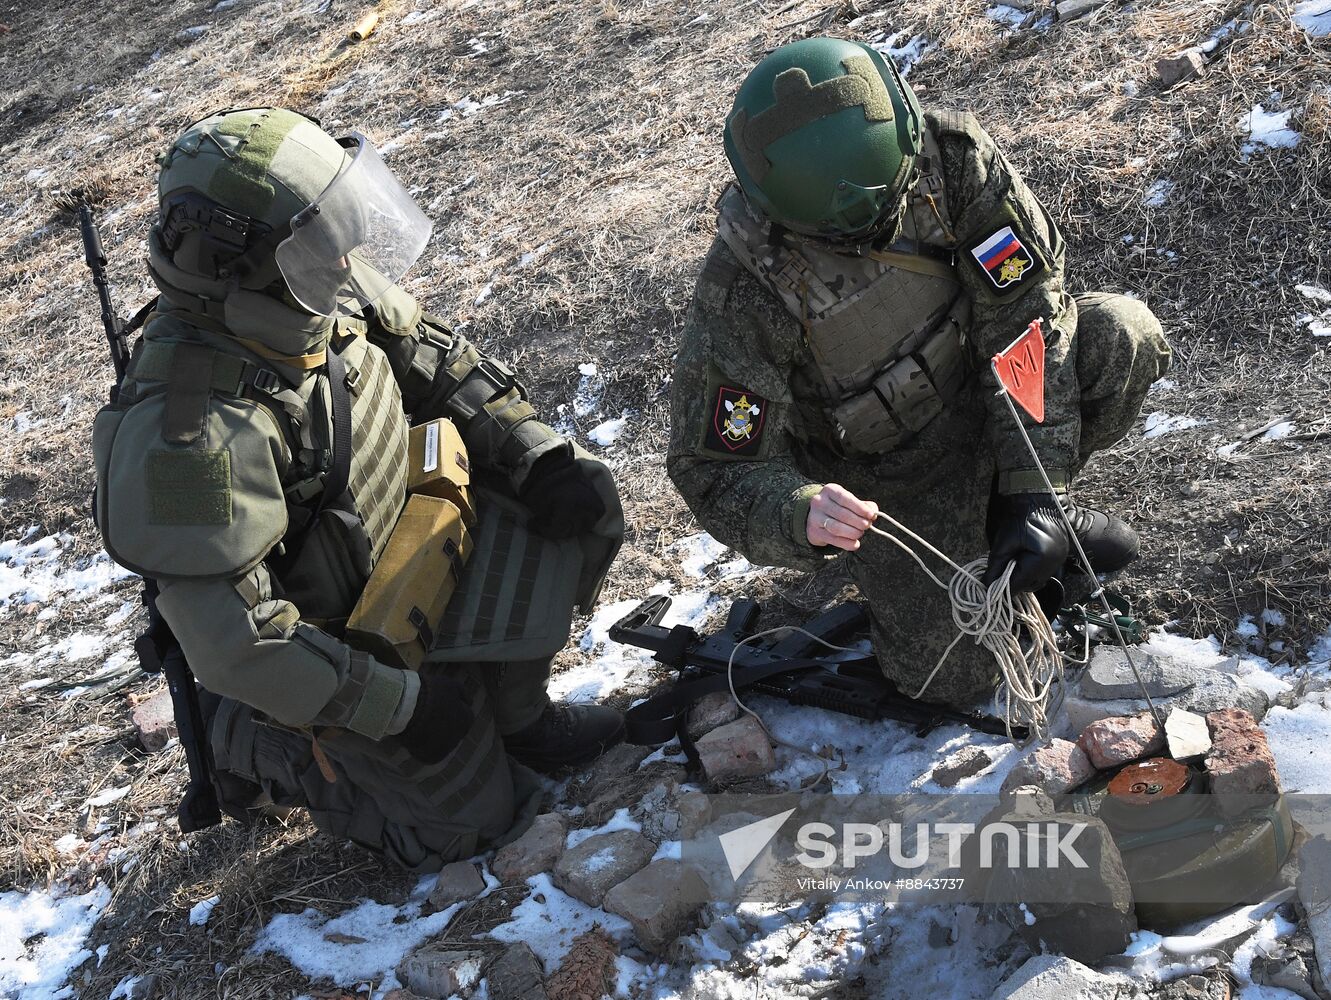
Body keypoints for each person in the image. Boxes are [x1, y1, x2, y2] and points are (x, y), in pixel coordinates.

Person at [92, 107, 625, 871]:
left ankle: (515, 716)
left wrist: (535, 454)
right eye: (320, 239)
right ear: (236, 263)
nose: (346, 258)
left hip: (416, 551)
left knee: (583, 498)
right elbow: (240, 640)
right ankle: (247, 739)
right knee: (464, 831)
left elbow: (434, 357)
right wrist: (394, 708)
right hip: (331, 647)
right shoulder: (191, 435)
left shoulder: (303, 275)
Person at [667, 38, 1172, 708]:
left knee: (1119, 335)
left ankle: (1012, 518)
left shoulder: (950, 162)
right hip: (888, 482)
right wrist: (799, 513)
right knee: (952, 683)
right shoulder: (744, 290)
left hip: (992, 404)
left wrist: (1034, 489)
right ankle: (979, 541)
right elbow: (714, 466)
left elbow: (1024, 314)